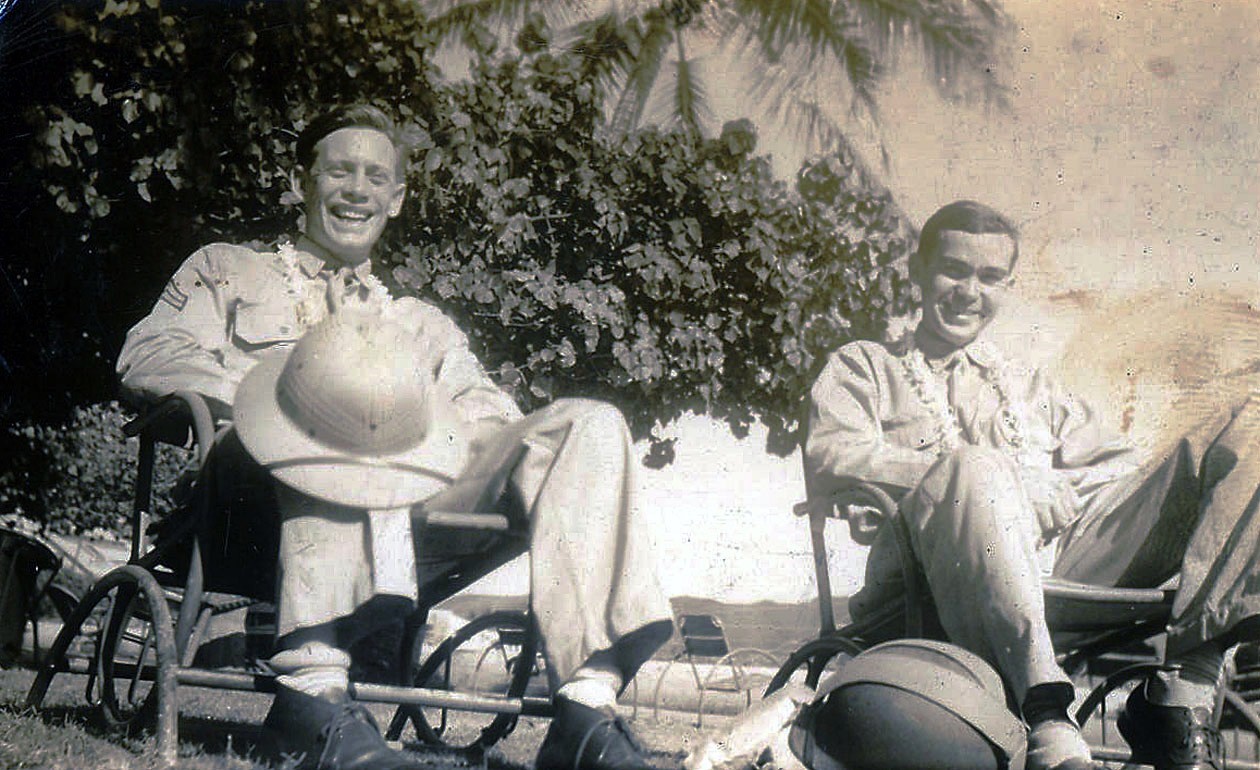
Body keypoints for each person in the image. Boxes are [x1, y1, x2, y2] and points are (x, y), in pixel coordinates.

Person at [117, 104, 673, 770]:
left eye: (376, 177)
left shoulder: (417, 322)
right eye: (340, 171)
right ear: (302, 181)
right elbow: (146, 353)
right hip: (245, 507)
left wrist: (423, 427)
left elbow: (488, 413)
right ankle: (309, 692)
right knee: (345, 401)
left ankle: (584, 710)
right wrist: (282, 390)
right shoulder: (229, 269)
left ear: (397, 198)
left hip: (404, 520)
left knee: (589, 425)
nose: (358, 190)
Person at [804, 199, 1260, 770]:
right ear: (917, 272)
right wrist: (1002, 478)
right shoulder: (865, 366)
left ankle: (1187, 683)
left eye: (990, 276)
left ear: (1008, 285)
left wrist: (1061, 486)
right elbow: (832, 453)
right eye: (954, 270)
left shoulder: (1028, 385)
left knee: (1253, 418)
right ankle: (1048, 716)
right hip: (926, 584)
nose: (969, 291)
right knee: (974, 464)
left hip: (1063, 567)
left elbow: (1116, 466)